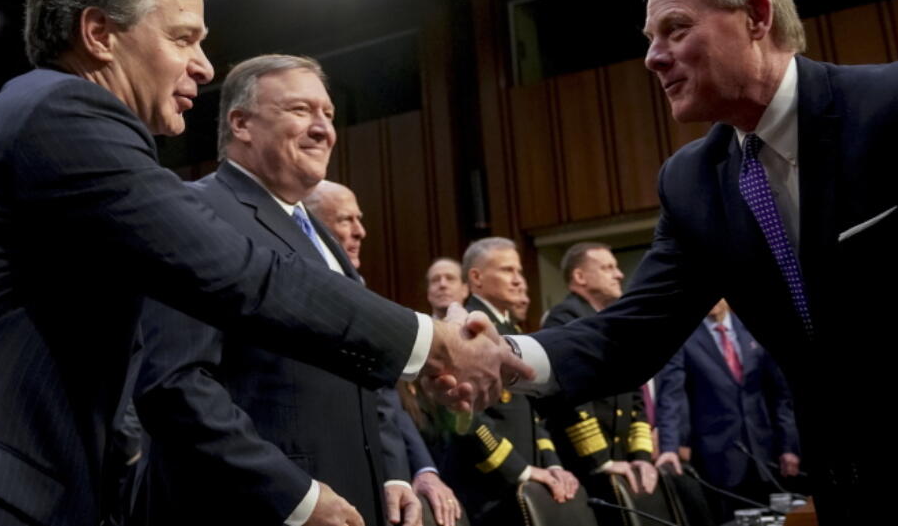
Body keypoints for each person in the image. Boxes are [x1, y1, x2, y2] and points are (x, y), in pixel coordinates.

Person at [0, 0, 525, 526]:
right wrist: (427, 338)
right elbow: (238, 274)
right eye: (182, 37)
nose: (203, 63)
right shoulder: (64, 115)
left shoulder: (50, 128)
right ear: (99, 33)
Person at [503, 0, 898, 525]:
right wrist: (509, 356)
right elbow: (632, 332)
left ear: (756, 17)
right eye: (650, 38)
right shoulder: (693, 182)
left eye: (674, 29)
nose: (653, 57)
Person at [137, 56, 422, 526]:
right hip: (257, 508)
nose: (322, 129)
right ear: (241, 123)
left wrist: (392, 473)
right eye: (300, 111)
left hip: (357, 499)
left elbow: (365, 369)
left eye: (328, 114)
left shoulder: (319, 233)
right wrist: (295, 496)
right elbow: (173, 385)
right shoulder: (196, 211)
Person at [306, 180, 464, 526]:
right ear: (308, 224)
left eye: (359, 219)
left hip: (379, 473)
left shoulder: (359, 290)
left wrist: (419, 469)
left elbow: (385, 401)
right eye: (346, 220)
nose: (360, 231)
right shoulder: (305, 289)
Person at [444, 238, 581, 526]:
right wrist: (521, 470)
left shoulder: (510, 330)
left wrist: (552, 464)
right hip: (487, 489)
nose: (519, 281)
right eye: (508, 271)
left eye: (519, 272)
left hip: (523, 484)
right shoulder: (464, 328)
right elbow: (465, 418)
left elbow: (534, 413)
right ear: (477, 278)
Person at [656, 300, 798, 519]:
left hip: (765, 454)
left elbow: (780, 394)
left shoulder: (752, 327)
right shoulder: (683, 336)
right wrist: (669, 446)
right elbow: (671, 396)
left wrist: (788, 445)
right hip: (716, 459)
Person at [542, 243, 656, 499]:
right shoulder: (564, 318)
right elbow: (571, 397)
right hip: (587, 467)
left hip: (623, 461)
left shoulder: (615, 319)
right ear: (580, 277)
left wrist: (641, 456)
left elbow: (636, 392)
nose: (619, 274)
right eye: (607, 268)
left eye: (616, 267)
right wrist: (601, 460)